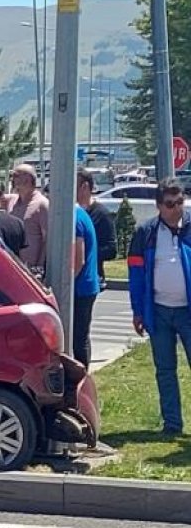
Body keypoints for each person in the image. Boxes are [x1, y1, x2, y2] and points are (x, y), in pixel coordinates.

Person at [127, 183, 191, 436]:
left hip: (188, 311)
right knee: (165, 370)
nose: (176, 208)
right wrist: (138, 311)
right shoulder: (145, 233)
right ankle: (172, 424)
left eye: (180, 202)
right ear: (159, 206)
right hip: (159, 311)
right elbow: (136, 275)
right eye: (170, 204)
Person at [77, 169, 118, 288]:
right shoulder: (71, 212)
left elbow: (111, 250)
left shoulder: (101, 214)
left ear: (84, 186)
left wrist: (85, 253)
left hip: (91, 276)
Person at [72, 202, 101, 368]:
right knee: (81, 335)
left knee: (78, 338)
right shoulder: (81, 213)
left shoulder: (74, 218)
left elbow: (78, 260)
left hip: (80, 287)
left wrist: (65, 287)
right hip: (86, 285)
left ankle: (81, 380)